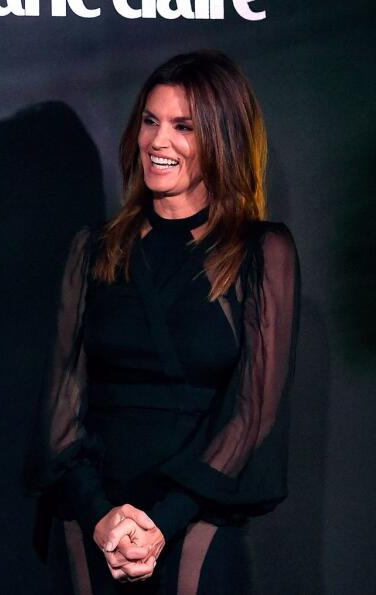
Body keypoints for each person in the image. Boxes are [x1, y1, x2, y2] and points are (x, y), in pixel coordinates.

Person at [31, 50, 299, 593]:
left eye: (184, 127)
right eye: (151, 121)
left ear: (221, 138)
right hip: (95, 516)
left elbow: (253, 413)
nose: (159, 141)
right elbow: (62, 401)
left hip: (195, 513)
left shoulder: (259, 252)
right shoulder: (95, 250)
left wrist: (162, 524)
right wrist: (100, 514)